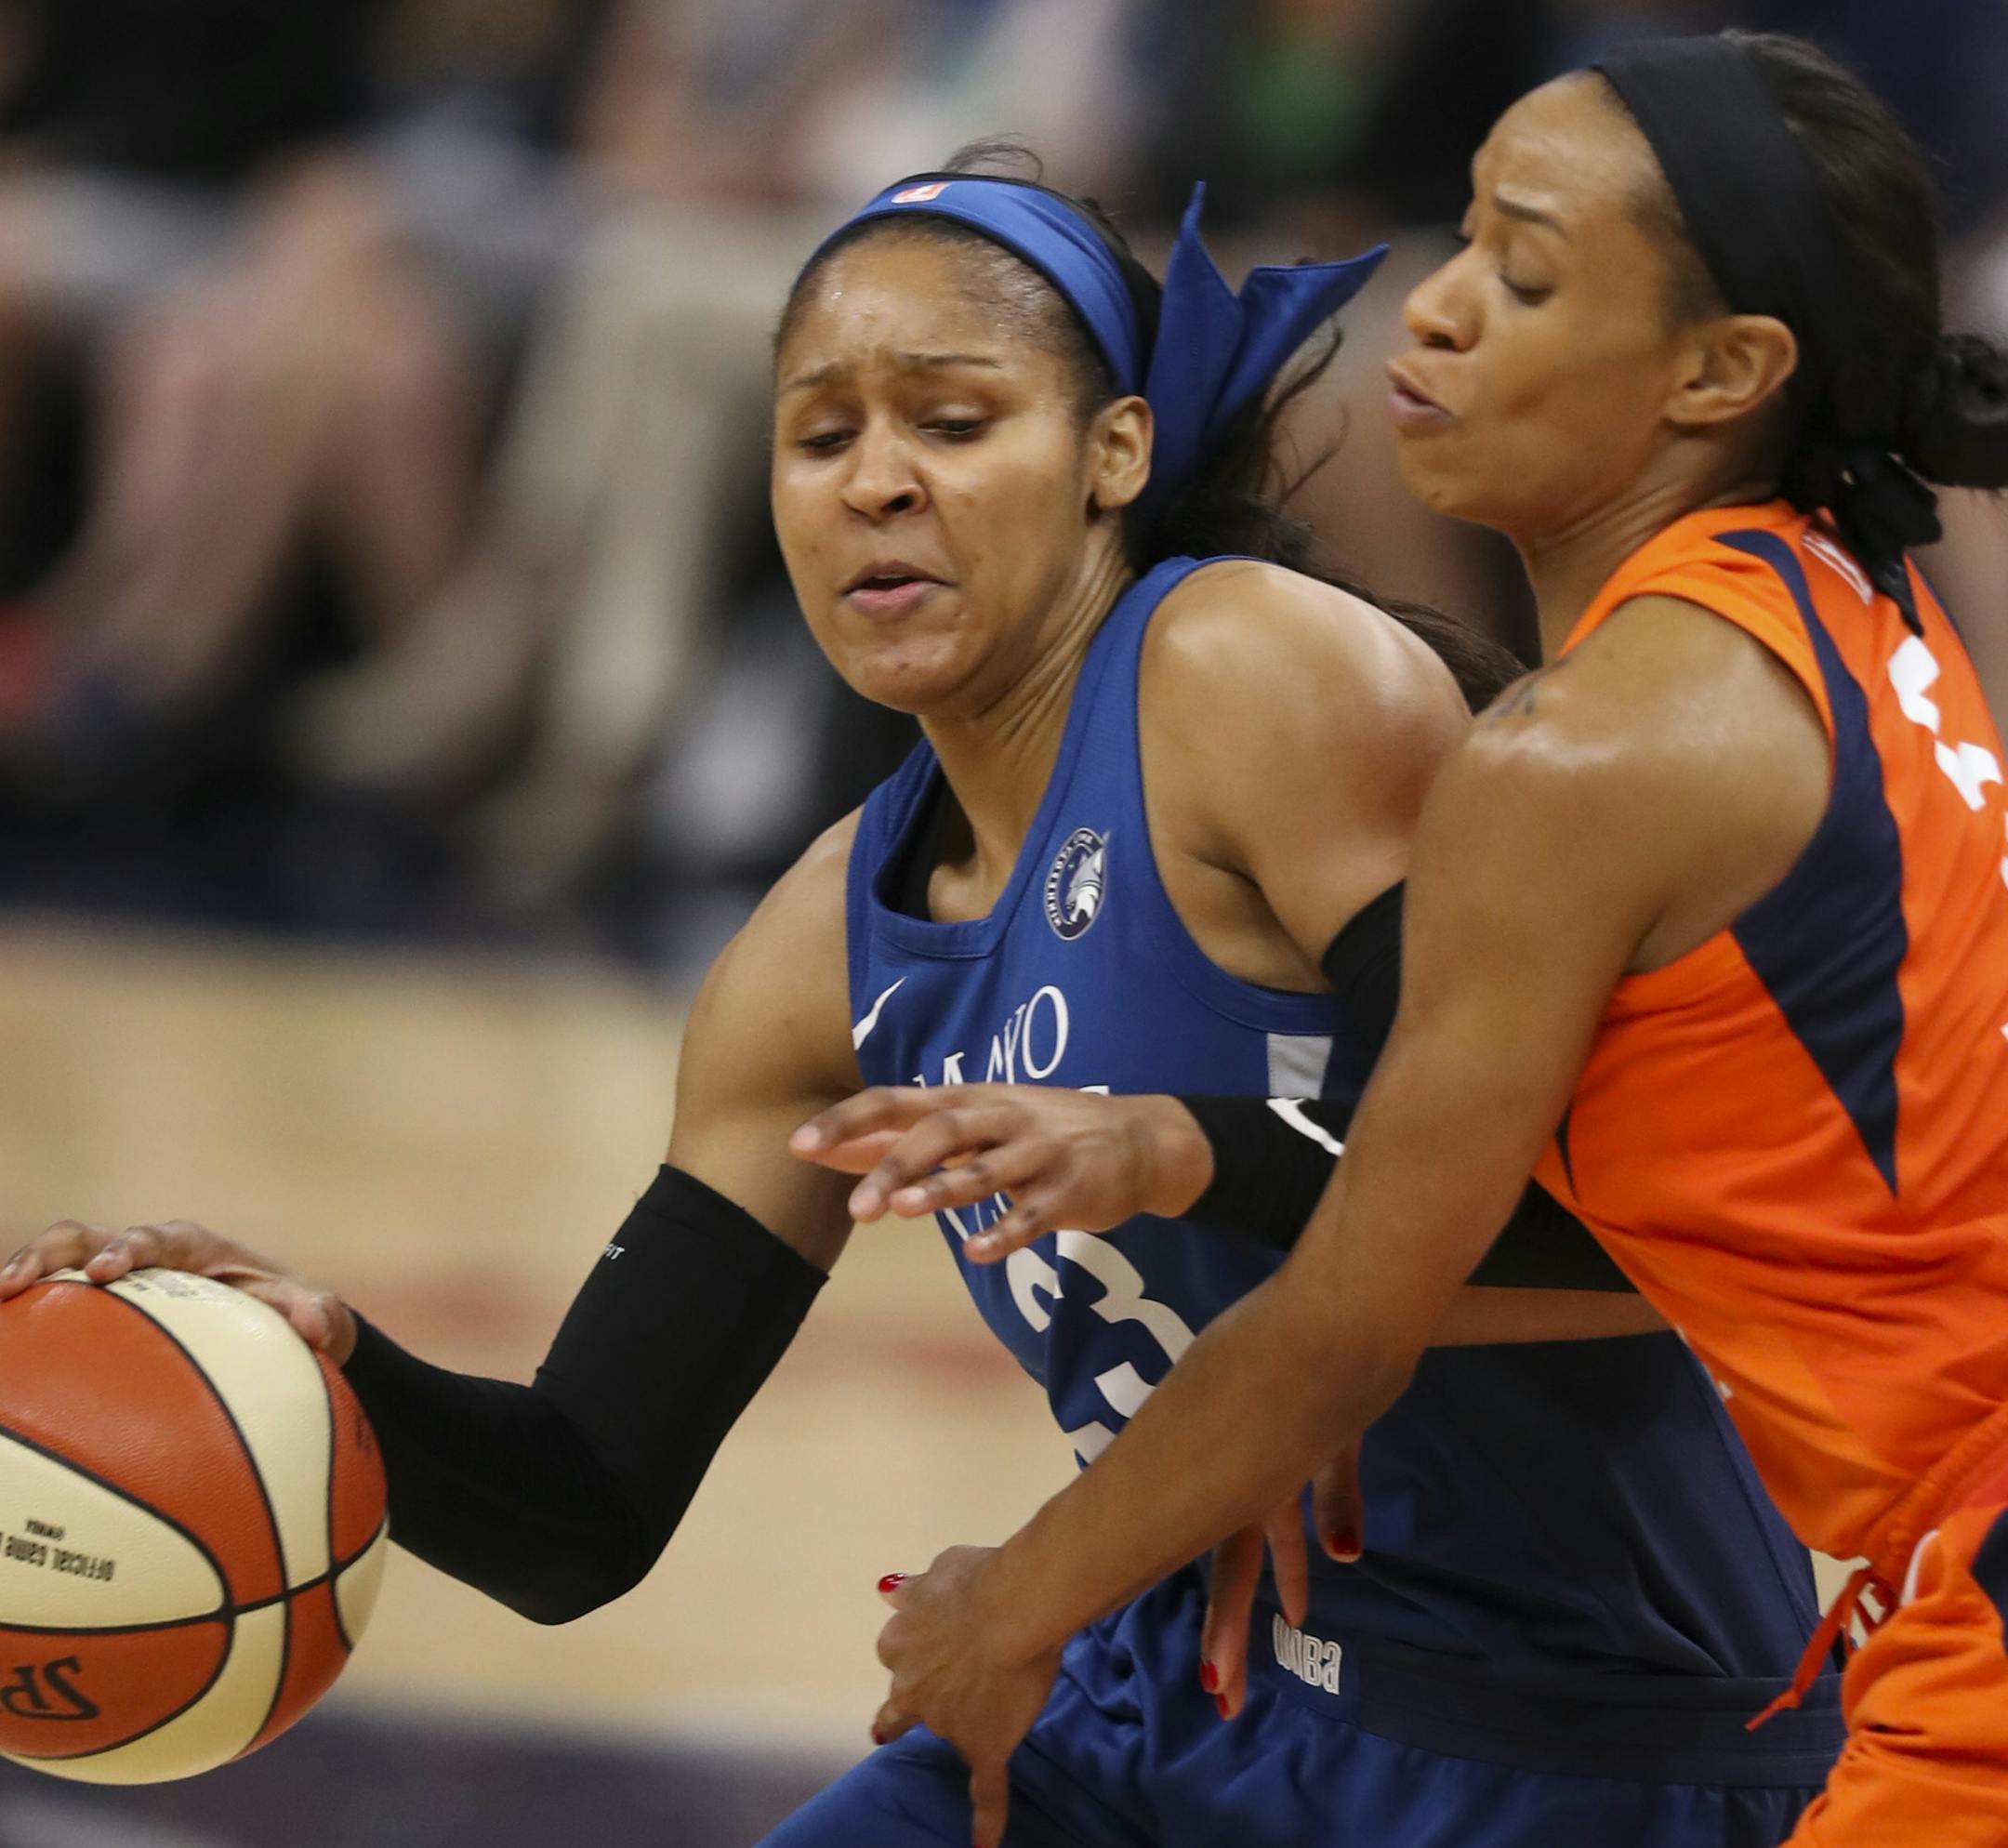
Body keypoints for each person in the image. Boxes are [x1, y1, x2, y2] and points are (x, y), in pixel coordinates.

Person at [0, 155, 1846, 1844]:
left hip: (1576, 1736)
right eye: (818, 440)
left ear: (1116, 452)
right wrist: (325, 1374)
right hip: (1151, 1705)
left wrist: (1185, 1164)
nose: (876, 479)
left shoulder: (1246, 675)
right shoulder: (817, 950)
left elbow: (1637, 1224)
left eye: (954, 423)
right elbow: (578, 1514)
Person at [793, 32, 2008, 1848]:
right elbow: (1688, 1228)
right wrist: (1194, 1151)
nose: (1431, 312)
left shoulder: (1581, 757)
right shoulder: (1853, 597)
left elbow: (1354, 1327)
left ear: (1725, 370)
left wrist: (1010, 1598)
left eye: (1522, 276)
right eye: (1460, 242)